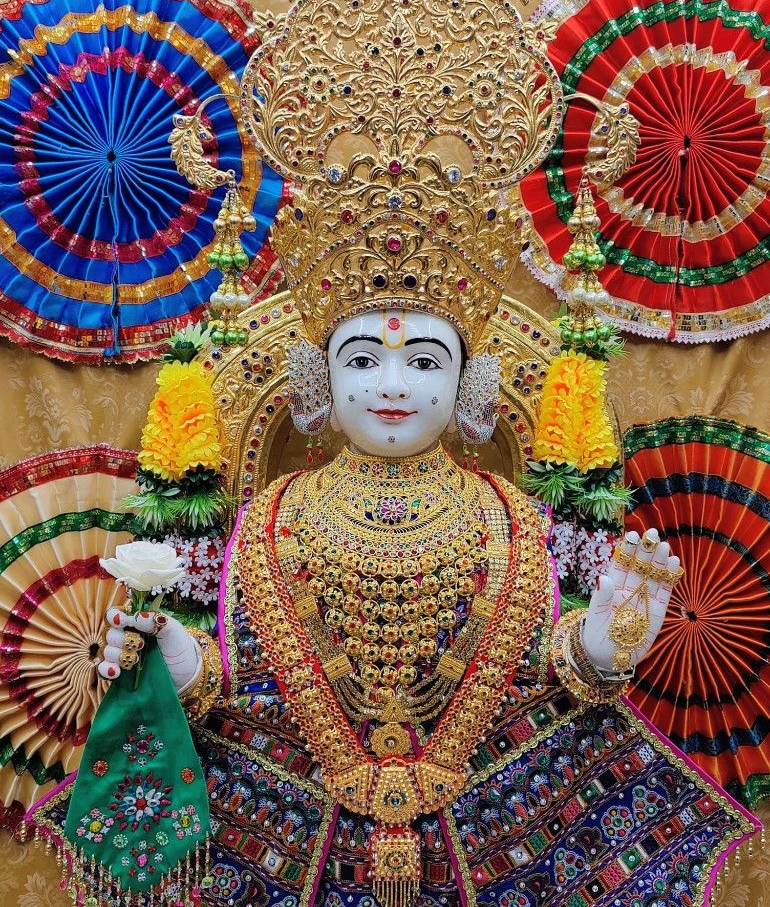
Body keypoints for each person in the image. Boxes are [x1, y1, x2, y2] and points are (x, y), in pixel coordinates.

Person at [90, 304, 755, 907]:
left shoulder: (513, 520)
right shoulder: (271, 518)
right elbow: (256, 684)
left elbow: (533, 685)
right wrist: (187, 667)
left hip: (487, 818)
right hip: (302, 817)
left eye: (424, 362)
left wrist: (597, 652)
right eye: (361, 361)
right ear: (320, 382)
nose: (393, 385)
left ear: (469, 386)